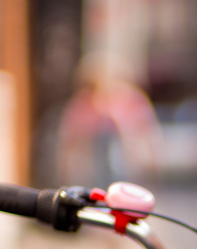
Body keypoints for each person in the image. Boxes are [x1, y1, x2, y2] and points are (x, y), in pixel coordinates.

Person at [57, 53, 164, 188]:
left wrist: (151, 162)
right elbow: (70, 140)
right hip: (93, 172)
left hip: (126, 169)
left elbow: (147, 133)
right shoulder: (82, 105)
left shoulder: (130, 101)